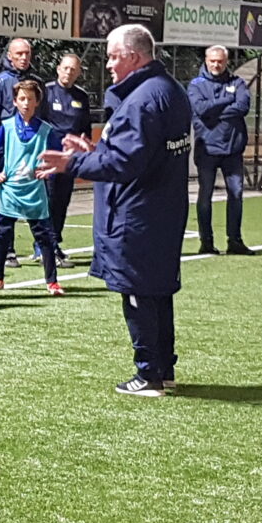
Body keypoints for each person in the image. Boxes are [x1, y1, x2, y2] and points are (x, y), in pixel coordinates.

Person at [39, 24, 191, 397]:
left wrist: (71, 165)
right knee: (158, 290)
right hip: (162, 210)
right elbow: (141, 154)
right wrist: (95, 154)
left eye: (112, 56)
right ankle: (163, 368)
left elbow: (125, 164)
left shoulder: (142, 100)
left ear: (133, 57)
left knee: (138, 289)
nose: (107, 64)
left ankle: (148, 374)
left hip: (137, 214)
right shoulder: (171, 91)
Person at [0, 80, 63, 296]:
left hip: (34, 192)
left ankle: (52, 282)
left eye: (30, 99)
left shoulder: (46, 130)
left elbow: (59, 156)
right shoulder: (7, 127)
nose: (26, 103)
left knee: (44, 236)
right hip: (10, 191)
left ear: (38, 101)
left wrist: (50, 171)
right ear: (15, 102)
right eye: (22, 99)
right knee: (3, 234)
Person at [0, 38, 44, 269]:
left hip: (31, 153)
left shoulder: (36, 82)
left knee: (36, 199)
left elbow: (41, 118)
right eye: (19, 53)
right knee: (8, 204)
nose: (24, 57)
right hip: (7, 155)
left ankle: (43, 247)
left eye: (27, 53)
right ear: (9, 56)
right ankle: (8, 251)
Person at [188, 45, 254, 256]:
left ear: (226, 62)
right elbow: (201, 110)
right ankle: (206, 242)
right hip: (207, 149)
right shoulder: (196, 85)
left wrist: (214, 110)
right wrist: (227, 100)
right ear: (206, 61)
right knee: (205, 195)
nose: (216, 64)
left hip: (233, 149)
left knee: (236, 194)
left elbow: (242, 107)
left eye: (220, 61)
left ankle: (235, 241)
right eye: (213, 61)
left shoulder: (238, 83)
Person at [37, 53, 91, 267]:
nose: (69, 72)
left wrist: (83, 152)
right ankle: (44, 247)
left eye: (73, 69)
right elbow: (38, 124)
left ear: (78, 72)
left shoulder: (81, 97)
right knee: (47, 201)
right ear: (58, 68)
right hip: (50, 158)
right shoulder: (47, 93)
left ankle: (54, 243)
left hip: (70, 159)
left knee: (62, 201)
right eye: (66, 68)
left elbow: (85, 129)